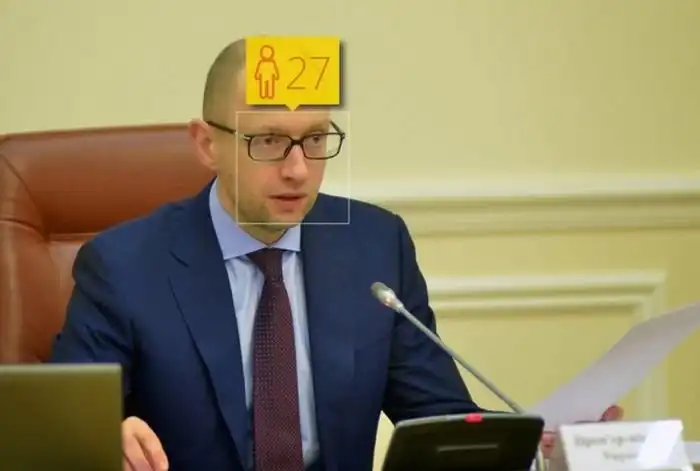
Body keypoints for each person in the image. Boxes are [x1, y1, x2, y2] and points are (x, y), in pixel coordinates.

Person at [49, 38, 621, 471]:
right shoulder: (124, 265)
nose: (299, 170)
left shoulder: (375, 244)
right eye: (269, 141)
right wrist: (102, 437)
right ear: (206, 144)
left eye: (316, 139)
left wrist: (544, 440)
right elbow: (61, 426)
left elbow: (437, 419)